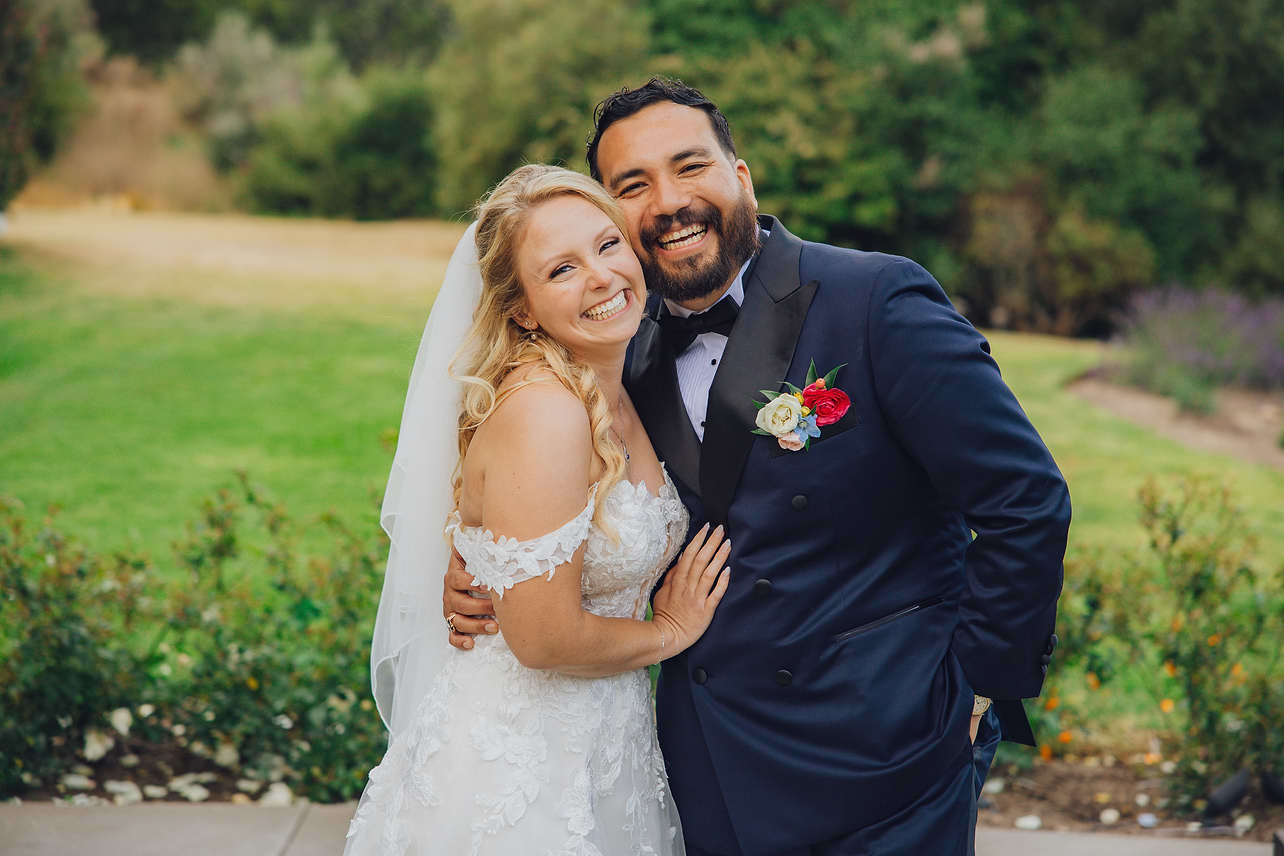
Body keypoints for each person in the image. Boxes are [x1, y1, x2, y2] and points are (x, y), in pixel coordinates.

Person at [443, 78, 1071, 856]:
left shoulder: (874, 300)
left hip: (888, 762)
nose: (668, 202)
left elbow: (1026, 500)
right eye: (632, 187)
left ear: (740, 177)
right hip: (706, 769)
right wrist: (480, 566)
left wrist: (976, 689)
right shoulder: (615, 344)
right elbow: (533, 483)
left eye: (689, 166)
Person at [346, 164, 734, 856]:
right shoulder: (548, 412)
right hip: (520, 770)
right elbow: (541, 638)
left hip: (604, 750)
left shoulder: (621, 376)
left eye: (607, 245)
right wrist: (669, 632)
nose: (602, 277)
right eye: (561, 269)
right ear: (521, 307)